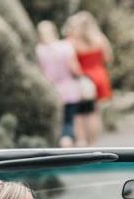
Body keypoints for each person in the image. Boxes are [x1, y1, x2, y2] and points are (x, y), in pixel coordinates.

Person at [64, 11, 113, 146]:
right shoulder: (100, 39)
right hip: (100, 76)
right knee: (94, 112)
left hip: (84, 79)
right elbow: (108, 58)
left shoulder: (72, 42)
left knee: (79, 113)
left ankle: (81, 142)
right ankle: (93, 143)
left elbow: (72, 65)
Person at [36, 20, 82, 148]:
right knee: (68, 122)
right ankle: (67, 146)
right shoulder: (66, 47)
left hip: (50, 91)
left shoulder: (39, 50)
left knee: (55, 124)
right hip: (69, 90)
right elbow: (75, 69)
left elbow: (40, 72)